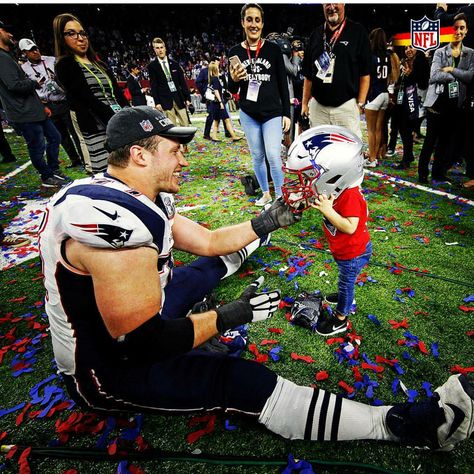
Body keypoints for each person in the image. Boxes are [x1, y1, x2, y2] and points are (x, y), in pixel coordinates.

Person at [38, 105, 474, 452]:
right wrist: (230, 315)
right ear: (140, 154)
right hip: (108, 368)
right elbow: (143, 342)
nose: (184, 158)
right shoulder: (112, 222)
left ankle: (242, 261)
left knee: (201, 270)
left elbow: (208, 241)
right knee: (234, 380)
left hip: (131, 319)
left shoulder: (131, 193)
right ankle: (397, 425)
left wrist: (269, 221)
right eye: (174, 150)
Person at [282, 125, 371, 336]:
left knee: (346, 283)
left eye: (311, 176)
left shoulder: (350, 196)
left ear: (336, 173)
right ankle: (344, 295)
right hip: (346, 251)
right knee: (345, 281)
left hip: (353, 252)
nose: (308, 181)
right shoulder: (339, 187)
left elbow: (350, 227)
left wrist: (328, 211)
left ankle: (341, 319)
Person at [228, 3, 291, 206]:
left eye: (257, 20)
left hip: (272, 113)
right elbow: (231, 88)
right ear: (242, 23)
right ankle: (265, 193)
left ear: (262, 24)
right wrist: (234, 79)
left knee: (273, 155)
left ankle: (281, 196)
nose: (253, 24)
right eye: (249, 19)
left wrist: (287, 114)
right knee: (257, 155)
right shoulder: (235, 51)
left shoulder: (272, 49)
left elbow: (283, 83)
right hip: (249, 113)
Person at [53, 13, 129, 174]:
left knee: (126, 166)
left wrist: (129, 113)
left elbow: (117, 92)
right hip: (95, 124)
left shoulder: (99, 63)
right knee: (106, 169)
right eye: (71, 33)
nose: (80, 38)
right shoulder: (65, 64)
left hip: (116, 120)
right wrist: (116, 119)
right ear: (61, 37)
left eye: (82, 33)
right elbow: (87, 98)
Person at [0, 20, 65, 187]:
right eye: (6, 31)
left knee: (54, 137)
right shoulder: (1, 57)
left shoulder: (6, 56)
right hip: (24, 113)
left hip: (33, 109)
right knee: (37, 146)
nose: (10, 34)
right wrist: (34, 82)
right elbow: (14, 85)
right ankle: (47, 176)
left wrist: (41, 106)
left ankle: (53, 169)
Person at [418, 13, 474, 184]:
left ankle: (438, 173)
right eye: (455, 27)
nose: (458, 31)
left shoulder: (471, 53)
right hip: (436, 103)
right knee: (430, 141)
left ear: (466, 31)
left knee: (445, 142)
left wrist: (450, 70)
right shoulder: (440, 52)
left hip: (455, 105)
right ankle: (422, 174)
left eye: (462, 28)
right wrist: (454, 76)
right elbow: (433, 76)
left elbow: (470, 76)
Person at [301, 3, 371, 138]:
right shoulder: (316, 34)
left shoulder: (357, 32)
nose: (331, 6)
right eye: (327, 3)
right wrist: (304, 103)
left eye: (335, 2)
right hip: (318, 108)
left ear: (344, 3)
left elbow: (365, 74)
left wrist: (360, 104)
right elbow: (308, 75)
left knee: (347, 154)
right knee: (319, 153)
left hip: (346, 106)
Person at [19, 37, 84, 169]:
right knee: (61, 136)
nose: (35, 52)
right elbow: (28, 89)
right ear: (24, 53)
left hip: (63, 101)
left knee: (76, 133)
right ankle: (75, 159)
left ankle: (84, 158)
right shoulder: (24, 69)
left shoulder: (51, 60)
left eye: (36, 48)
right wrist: (41, 105)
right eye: (31, 51)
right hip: (48, 106)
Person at [393, 45, 429, 170]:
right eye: (406, 48)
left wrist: (410, 74)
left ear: (417, 49)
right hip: (404, 101)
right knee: (404, 130)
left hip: (416, 102)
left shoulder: (421, 61)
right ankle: (408, 156)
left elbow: (423, 83)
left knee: (407, 129)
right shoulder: (404, 62)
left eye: (411, 47)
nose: (408, 50)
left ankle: (407, 159)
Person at [364, 28, 394, 168]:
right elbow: (390, 76)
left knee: (370, 130)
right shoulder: (388, 55)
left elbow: (367, 79)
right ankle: (374, 156)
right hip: (384, 93)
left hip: (374, 94)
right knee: (378, 129)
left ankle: (372, 158)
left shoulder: (370, 56)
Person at [147, 37, 192, 127]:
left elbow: (182, 83)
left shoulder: (175, 64)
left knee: (185, 125)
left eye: (161, 47)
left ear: (165, 48)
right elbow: (154, 85)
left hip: (178, 98)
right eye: (157, 48)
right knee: (172, 128)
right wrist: (157, 103)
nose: (160, 50)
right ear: (154, 50)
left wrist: (188, 98)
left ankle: (185, 141)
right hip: (165, 100)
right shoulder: (152, 66)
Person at [208, 62, 242, 142]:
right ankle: (233, 136)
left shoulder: (211, 79)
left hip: (214, 103)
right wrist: (220, 102)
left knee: (216, 120)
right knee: (226, 119)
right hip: (218, 103)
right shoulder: (215, 79)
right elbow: (216, 91)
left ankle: (214, 136)